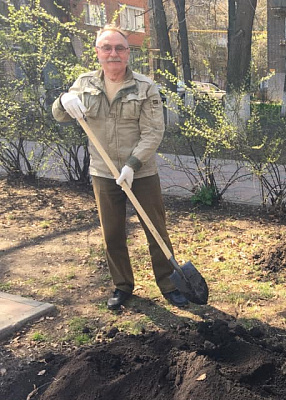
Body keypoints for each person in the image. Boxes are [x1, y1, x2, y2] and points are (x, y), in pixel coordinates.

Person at [52, 25, 188, 310]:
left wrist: (132, 165)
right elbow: (60, 115)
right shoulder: (84, 84)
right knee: (112, 232)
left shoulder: (145, 86)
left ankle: (169, 284)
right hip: (102, 173)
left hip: (141, 172)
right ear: (98, 52)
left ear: (128, 53)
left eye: (119, 48)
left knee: (156, 231)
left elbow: (153, 132)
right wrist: (63, 99)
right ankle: (122, 285)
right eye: (107, 48)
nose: (113, 53)